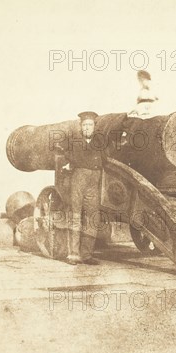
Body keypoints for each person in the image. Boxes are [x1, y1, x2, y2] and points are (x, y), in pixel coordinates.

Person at [61, 111, 104, 265]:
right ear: (80, 126)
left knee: (92, 217)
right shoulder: (73, 141)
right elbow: (63, 154)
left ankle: (86, 254)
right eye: (84, 124)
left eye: (90, 125)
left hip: (94, 180)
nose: (87, 127)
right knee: (75, 215)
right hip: (79, 179)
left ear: (94, 127)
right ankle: (73, 255)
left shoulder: (99, 142)